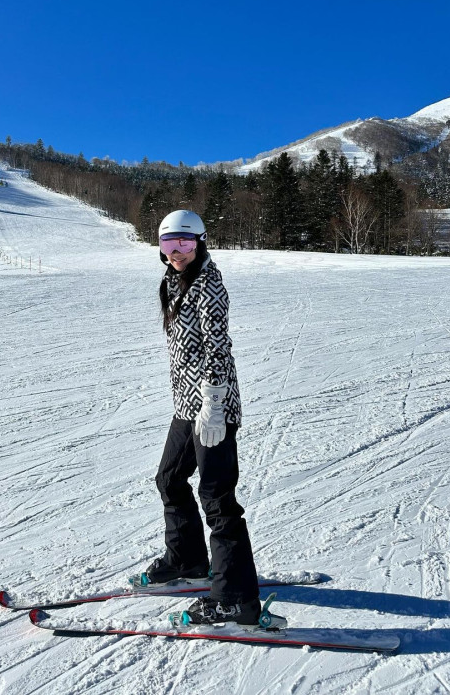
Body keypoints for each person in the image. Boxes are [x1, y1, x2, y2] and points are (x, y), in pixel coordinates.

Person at [144, 209, 261, 626]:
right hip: (186, 407)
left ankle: (236, 600)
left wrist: (213, 400)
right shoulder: (174, 283)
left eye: (185, 243)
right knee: (170, 479)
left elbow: (218, 347)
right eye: (168, 244)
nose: (177, 252)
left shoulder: (209, 286)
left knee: (217, 498)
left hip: (214, 407)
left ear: (200, 243)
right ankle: (188, 560)